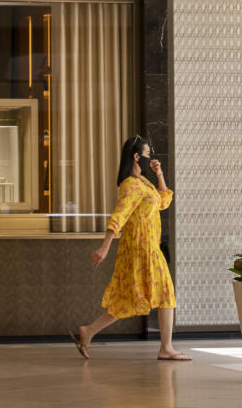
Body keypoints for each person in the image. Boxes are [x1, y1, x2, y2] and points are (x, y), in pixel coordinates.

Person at [70, 135, 191, 361]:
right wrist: (105, 246)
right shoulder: (131, 186)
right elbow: (119, 216)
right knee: (165, 293)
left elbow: (164, 202)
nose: (150, 158)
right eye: (147, 154)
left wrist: (160, 175)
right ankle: (166, 348)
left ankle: (89, 332)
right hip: (141, 248)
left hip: (148, 247)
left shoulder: (144, 183)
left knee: (128, 298)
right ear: (136, 156)